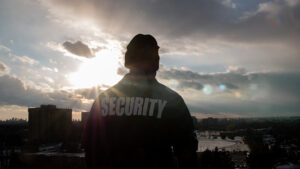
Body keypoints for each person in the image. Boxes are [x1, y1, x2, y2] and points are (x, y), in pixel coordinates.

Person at [83, 34, 198, 169]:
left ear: (128, 61)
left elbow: (91, 151)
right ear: (156, 62)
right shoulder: (172, 100)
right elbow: (187, 152)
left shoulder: (103, 100)